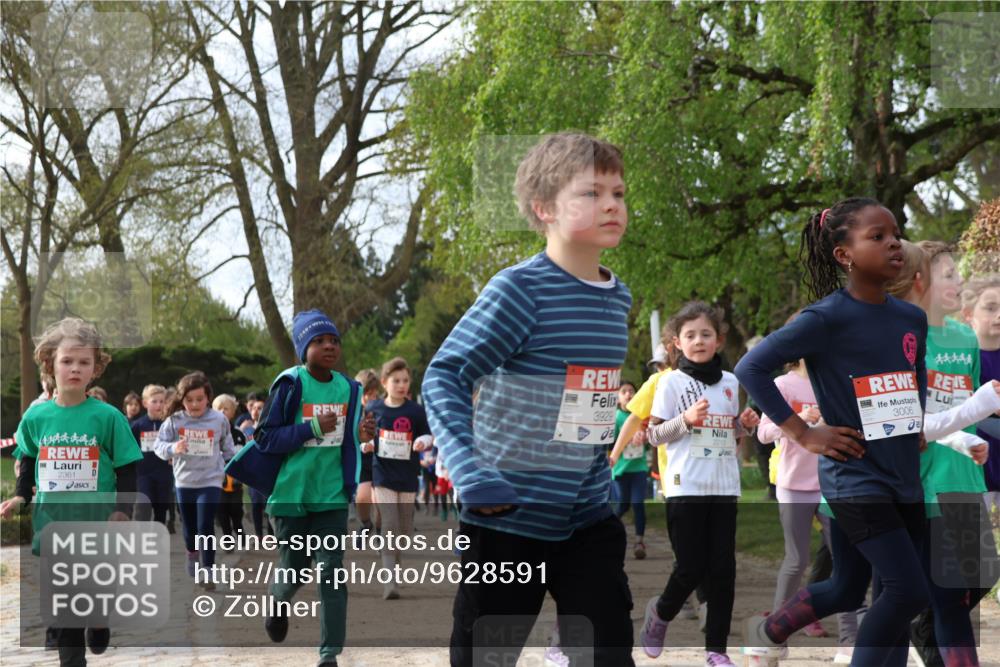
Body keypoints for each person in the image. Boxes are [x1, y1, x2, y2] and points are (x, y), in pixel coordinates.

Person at [423, 132, 635, 667]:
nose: (611, 203)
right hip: (505, 521)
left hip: (587, 520)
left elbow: (591, 403)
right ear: (543, 209)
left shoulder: (619, 297)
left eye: (619, 192)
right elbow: (444, 375)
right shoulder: (519, 290)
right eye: (591, 193)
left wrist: (597, 481)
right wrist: (468, 470)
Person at [735, 198, 930, 667]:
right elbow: (751, 368)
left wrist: (915, 423)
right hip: (855, 478)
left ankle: (768, 630)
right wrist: (803, 433)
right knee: (907, 591)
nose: (893, 244)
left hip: (903, 476)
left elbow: (913, 376)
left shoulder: (911, 319)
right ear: (844, 255)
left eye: (896, 234)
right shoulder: (826, 318)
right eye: (877, 237)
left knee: (849, 586)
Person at [0, 318, 142, 667]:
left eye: (84, 362)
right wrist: (21, 495)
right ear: (50, 364)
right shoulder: (36, 418)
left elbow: (127, 468)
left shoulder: (108, 417)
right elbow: (28, 456)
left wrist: (123, 510)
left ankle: (99, 620)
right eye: (67, 361)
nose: (75, 368)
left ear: (95, 369)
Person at [887, 240, 998, 667]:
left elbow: (963, 403)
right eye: (949, 274)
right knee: (950, 597)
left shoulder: (965, 338)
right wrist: (970, 415)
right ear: (920, 281)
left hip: (967, 473)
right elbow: (916, 418)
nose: (959, 281)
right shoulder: (902, 338)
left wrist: (970, 437)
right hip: (925, 479)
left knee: (983, 576)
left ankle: (925, 626)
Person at [245, 309, 374, 667]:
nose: (329, 346)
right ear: (303, 348)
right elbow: (265, 437)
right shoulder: (290, 384)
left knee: (332, 570)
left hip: (331, 497)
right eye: (319, 341)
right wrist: (311, 427)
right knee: (296, 569)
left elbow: (347, 439)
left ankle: (329, 653)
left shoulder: (349, 388)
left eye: (334, 340)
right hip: (289, 496)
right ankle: (277, 599)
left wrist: (362, 434)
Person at [639, 301, 759, 667]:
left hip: (723, 486)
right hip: (684, 485)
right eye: (690, 335)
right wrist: (686, 420)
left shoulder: (730, 382)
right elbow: (654, 435)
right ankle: (660, 613)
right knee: (690, 567)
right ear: (677, 342)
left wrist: (745, 425)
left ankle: (716, 650)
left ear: (719, 341)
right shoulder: (671, 382)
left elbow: (729, 431)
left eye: (706, 334)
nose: (699, 340)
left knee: (723, 570)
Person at [154, 371, 236, 589]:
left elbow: (228, 448)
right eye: (189, 400)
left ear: (208, 397)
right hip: (184, 481)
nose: (195, 404)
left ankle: (208, 570)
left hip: (210, 480)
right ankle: (192, 552)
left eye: (200, 399)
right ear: (182, 400)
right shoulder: (174, 421)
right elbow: (159, 446)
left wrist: (235, 467)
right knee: (190, 530)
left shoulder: (219, 419)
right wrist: (173, 448)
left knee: (205, 525)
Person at [368, 356, 432, 600]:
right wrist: (366, 444)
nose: (402, 385)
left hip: (407, 475)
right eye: (396, 381)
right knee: (390, 523)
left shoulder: (415, 411)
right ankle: (389, 582)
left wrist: (422, 442)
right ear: (385, 382)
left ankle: (394, 561)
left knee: (403, 532)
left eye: (405, 380)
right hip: (382, 473)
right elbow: (363, 433)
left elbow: (428, 435)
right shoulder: (374, 409)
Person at [961, 275, 1000, 523]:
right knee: (974, 551)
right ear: (968, 314)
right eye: (990, 307)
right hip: (974, 464)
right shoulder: (959, 359)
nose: (999, 315)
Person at [609, 380, 648, 559]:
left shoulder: (641, 416)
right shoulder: (615, 418)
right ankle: (604, 533)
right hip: (621, 470)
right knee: (622, 505)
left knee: (639, 504)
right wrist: (626, 440)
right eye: (623, 391)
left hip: (639, 468)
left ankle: (639, 541)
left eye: (631, 390)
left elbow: (649, 442)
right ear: (617, 398)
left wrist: (644, 438)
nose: (628, 394)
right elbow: (610, 443)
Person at [131, 384, 172, 524]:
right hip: (144, 473)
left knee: (161, 508)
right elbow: (130, 447)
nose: (158, 405)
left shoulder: (169, 424)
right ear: (145, 403)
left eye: (162, 401)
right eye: (154, 401)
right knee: (144, 506)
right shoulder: (138, 425)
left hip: (164, 472)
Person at [212, 394, 248, 546]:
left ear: (233, 412)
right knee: (221, 512)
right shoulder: (212, 432)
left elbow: (244, 453)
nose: (222, 412)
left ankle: (239, 529)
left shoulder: (238, 433)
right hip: (217, 481)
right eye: (218, 409)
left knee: (236, 510)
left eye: (226, 409)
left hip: (235, 481)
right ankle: (227, 536)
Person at [354, 369, 380, 532]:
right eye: (366, 394)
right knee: (362, 497)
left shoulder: (382, 411)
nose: (369, 398)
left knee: (380, 501)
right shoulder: (354, 413)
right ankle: (365, 523)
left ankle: (379, 531)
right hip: (362, 462)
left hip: (380, 461)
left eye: (373, 394)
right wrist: (361, 444)